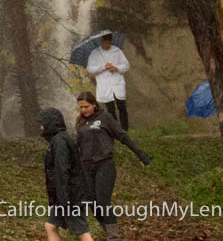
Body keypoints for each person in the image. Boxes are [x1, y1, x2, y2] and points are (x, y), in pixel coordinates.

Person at [76, 92, 150, 241]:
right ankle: (108, 230)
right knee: (92, 203)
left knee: (103, 202)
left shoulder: (105, 117)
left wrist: (141, 155)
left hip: (104, 164)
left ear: (94, 104)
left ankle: (114, 237)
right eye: (81, 107)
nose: (83, 110)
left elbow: (122, 136)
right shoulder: (80, 122)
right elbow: (79, 146)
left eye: (86, 106)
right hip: (86, 167)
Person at [38, 107, 93, 241]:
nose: (40, 127)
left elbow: (62, 171)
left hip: (71, 196)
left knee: (82, 231)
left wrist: (64, 200)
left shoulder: (60, 141)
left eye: (42, 123)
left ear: (50, 123)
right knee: (50, 226)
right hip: (66, 195)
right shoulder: (58, 140)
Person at [86, 34, 131, 130]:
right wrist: (103, 67)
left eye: (109, 43)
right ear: (102, 41)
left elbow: (126, 66)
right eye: (106, 43)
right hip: (104, 84)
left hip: (117, 82)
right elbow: (90, 69)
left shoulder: (117, 51)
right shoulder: (95, 53)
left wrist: (116, 68)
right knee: (110, 110)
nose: (108, 45)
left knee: (122, 107)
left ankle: (125, 130)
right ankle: (115, 130)